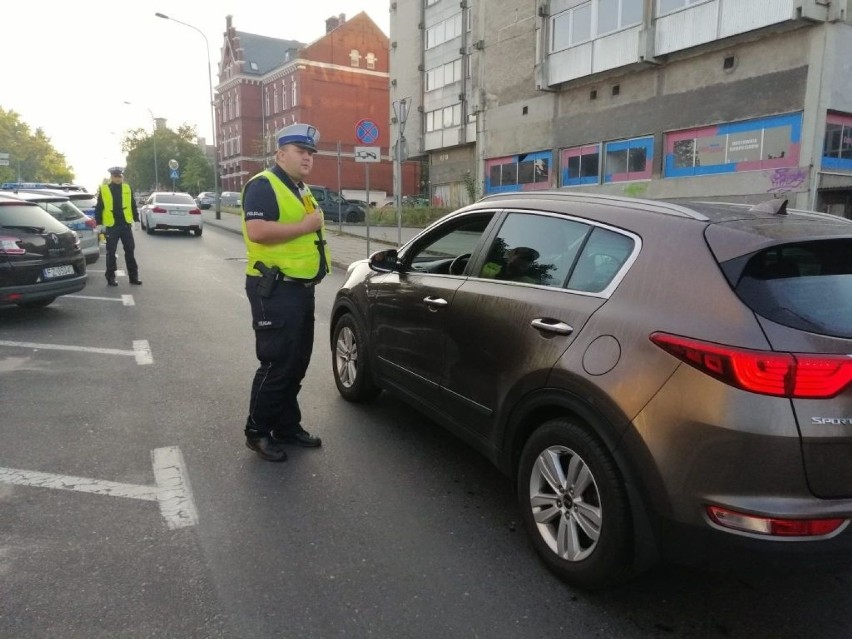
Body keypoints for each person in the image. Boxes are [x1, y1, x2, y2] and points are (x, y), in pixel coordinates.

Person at [240, 123, 331, 462]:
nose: (307, 157)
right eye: (300, 151)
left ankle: (286, 425)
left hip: (299, 287)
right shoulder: (264, 185)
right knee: (277, 362)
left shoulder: (299, 188)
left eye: (310, 153)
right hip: (275, 288)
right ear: (280, 154)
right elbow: (258, 230)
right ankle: (257, 431)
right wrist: (305, 226)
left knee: (296, 362)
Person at [94, 166, 142, 286]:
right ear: (111, 177)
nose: (118, 178)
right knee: (111, 252)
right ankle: (110, 277)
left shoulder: (127, 187)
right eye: (115, 176)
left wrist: (136, 220)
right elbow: (99, 207)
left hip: (125, 225)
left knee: (130, 250)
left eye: (120, 176)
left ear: (122, 177)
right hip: (112, 226)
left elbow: (132, 204)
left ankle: (133, 276)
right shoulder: (104, 189)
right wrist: (99, 223)